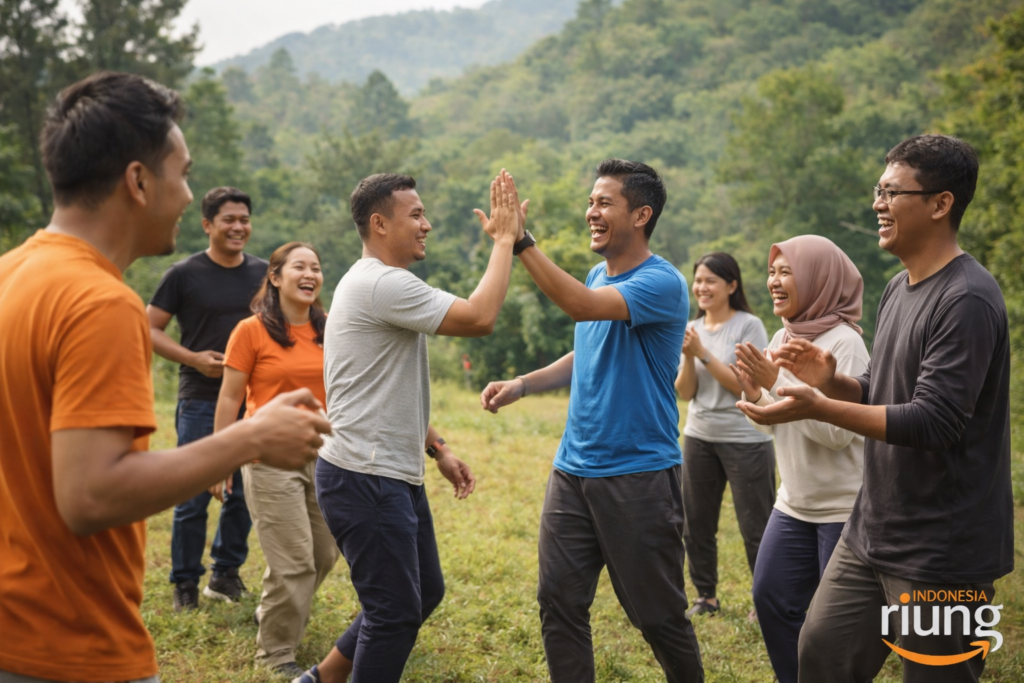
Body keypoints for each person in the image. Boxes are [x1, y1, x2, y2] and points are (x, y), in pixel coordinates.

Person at [0, 71, 330, 683]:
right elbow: (91, 494)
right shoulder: (98, 302)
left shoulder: (11, 273)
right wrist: (251, 438)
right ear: (138, 181)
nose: (186, 195)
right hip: (72, 644)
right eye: (181, 174)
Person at [738, 135, 1013, 683]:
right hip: (873, 528)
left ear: (940, 204)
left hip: (943, 550)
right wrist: (833, 381)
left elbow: (934, 420)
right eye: (878, 190)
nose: (878, 204)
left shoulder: (967, 299)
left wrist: (817, 405)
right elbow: (879, 388)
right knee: (820, 655)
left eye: (892, 192)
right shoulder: (897, 289)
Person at [480, 159, 704, 683]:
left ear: (641, 215)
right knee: (558, 602)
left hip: (637, 475)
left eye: (605, 203)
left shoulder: (662, 282)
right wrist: (524, 383)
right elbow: (590, 345)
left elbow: (581, 308)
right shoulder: (599, 274)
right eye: (591, 202)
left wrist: (520, 241)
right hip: (572, 471)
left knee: (658, 616)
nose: (591, 212)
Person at [293, 170, 519, 683]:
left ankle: (318, 679)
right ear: (379, 224)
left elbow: (381, 390)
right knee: (393, 615)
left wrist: (438, 448)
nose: (427, 224)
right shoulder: (381, 283)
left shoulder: (373, 283)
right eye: (415, 215)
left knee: (423, 592)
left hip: (386, 473)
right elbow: (480, 317)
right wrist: (506, 240)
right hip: (365, 477)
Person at [729, 235, 869, 683]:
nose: (774, 281)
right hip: (793, 504)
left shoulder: (844, 344)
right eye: (772, 271)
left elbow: (834, 433)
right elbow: (772, 424)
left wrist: (774, 378)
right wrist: (754, 392)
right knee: (771, 599)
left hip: (841, 510)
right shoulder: (781, 335)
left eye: (786, 271)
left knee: (832, 631)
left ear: (818, 278)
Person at [215, 242, 340, 678]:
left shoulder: (332, 327)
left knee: (324, 555)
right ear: (275, 277)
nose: (310, 275)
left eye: (316, 268)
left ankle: (275, 614)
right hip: (268, 456)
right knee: (293, 562)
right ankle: (275, 655)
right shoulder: (250, 331)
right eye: (299, 267)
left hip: (325, 456)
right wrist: (219, 457)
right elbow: (230, 397)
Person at [147, 186, 268, 611]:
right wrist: (193, 359)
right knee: (193, 491)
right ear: (207, 225)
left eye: (244, 220)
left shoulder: (264, 273)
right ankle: (184, 582)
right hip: (200, 396)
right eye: (229, 220)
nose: (238, 227)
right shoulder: (183, 274)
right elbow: (149, 329)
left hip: (252, 400)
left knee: (244, 493)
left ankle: (226, 573)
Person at [673, 252, 775, 620]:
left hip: (746, 438)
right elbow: (685, 393)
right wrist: (689, 356)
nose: (702, 287)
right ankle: (706, 596)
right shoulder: (691, 328)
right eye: (698, 280)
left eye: (710, 280)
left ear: (732, 286)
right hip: (699, 436)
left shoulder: (750, 326)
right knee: (696, 522)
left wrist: (701, 354)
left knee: (756, 526)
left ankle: (766, 601)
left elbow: (745, 387)